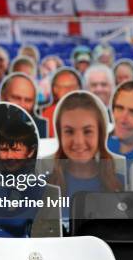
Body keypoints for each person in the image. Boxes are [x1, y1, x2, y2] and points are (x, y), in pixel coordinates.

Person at [48, 92, 124, 232]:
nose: (78, 142)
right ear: (59, 134)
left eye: (87, 131)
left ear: (100, 134)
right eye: (69, 132)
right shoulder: (44, 187)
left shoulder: (122, 185)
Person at [0, 73, 48, 138]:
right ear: (3, 97)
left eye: (28, 100)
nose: (22, 105)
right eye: (16, 98)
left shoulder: (42, 129)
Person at [41, 68, 82, 137]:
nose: (69, 90)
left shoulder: (89, 111)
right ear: (55, 89)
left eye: (72, 86)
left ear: (78, 88)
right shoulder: (47, 114)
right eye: (64, 87)